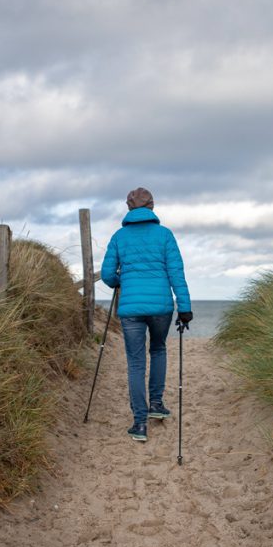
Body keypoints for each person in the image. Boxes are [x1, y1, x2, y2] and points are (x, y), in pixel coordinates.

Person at [101, 187, 193, 442]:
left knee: (136, 362)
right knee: (159, 349)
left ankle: (140, 423)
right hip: (161, 307)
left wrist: (122, 281)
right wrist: (184, 308)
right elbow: (176, 273)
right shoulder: (165, 235)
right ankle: (156, 404)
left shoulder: (119, 236)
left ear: (129, 207)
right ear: (152, 206)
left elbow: (107, 274)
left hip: (131, 309)